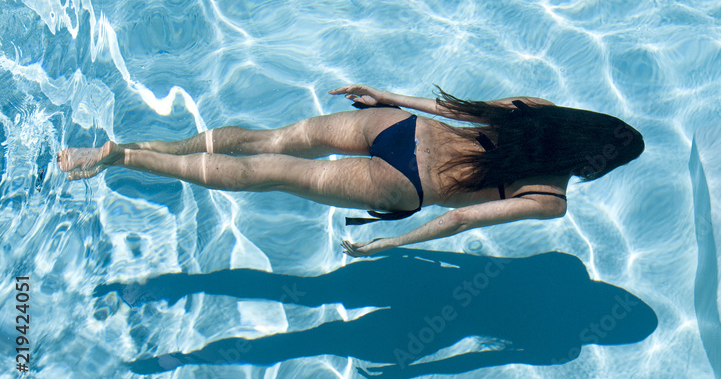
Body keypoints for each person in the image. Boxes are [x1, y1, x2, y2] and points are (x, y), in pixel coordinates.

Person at [57, 85, 644, 256]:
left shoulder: (538, 110)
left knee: (268, 140)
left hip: (401, 129)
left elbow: (454, 109)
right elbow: (462, 218)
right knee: (276, 174)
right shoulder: (550, 197)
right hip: (405, 184)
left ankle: (125, 145)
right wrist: (392, 242)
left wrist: (385, 95)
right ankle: (122, 159)